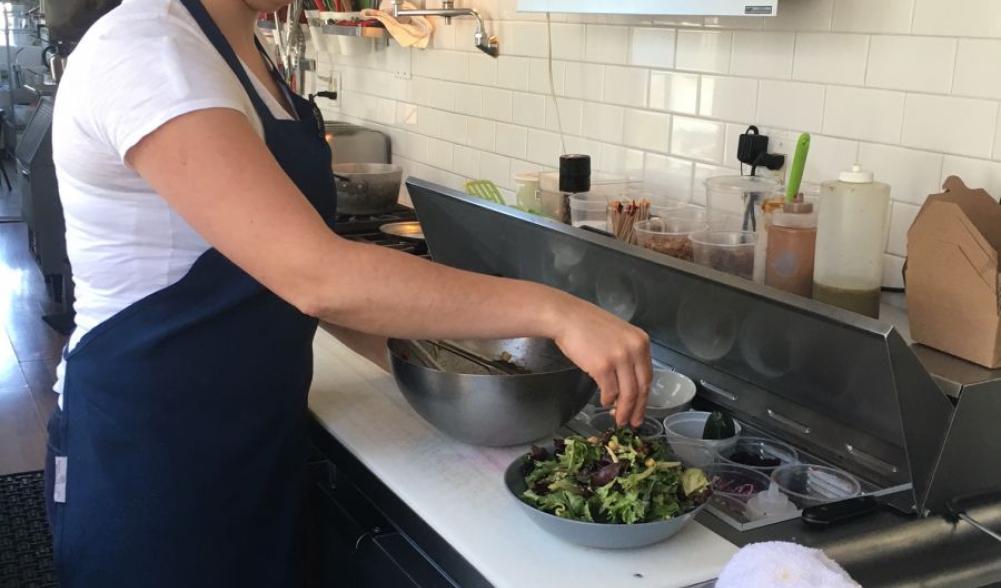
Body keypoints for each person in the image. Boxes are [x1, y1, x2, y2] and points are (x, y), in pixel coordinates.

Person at [46, 0, 652, 585]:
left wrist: (456, 380)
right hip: (152, 454)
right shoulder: (150, 51)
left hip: (254, 431)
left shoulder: (244, 50)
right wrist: (555, 311)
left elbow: (280, 268)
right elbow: (317, 275)